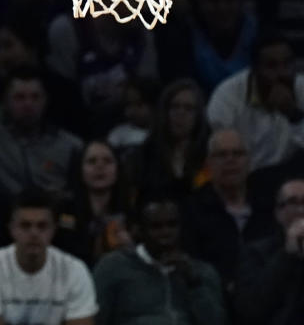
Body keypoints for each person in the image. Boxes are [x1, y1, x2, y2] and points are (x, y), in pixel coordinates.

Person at [93, 196, 228, 325]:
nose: (165, 233)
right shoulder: (114, 267)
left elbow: (216, 322)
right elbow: (95, 320)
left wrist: (193, 283)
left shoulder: (202, 272)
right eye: (156, 227)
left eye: (172, 225)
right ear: (139, 230)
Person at [0, 189, 97, 325]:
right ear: (12, 229)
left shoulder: (74, 271)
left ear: (53, 230)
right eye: (25, 226)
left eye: (42, 226)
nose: (34, 233)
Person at [181, 129, 276, 291]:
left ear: (249, 161)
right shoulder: (190, 209)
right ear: (208, 164)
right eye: (221, 155)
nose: (230, 160)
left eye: (237, 154)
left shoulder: (270, 204)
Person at [0, 68, 83, 199]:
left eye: (35, 97)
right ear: (5, 102)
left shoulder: (70, 146)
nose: (28, 104)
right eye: (20, 97)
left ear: (45, 101)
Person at [207, 31, 304, 171]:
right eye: (272, 66)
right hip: (244, 177)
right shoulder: (226, 98)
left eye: (287, 63)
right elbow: (225, 156)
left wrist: (294, 115)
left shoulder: (301, 87)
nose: (282, 72)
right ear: (254, 68)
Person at [232, 178, 304, 325]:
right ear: (278, 212)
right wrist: (287, 255)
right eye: (293, 202)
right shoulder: (256, 253)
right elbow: (250, 308)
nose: (301, 210)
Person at [55, 140, 133, 267]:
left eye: (107, 161)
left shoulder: (130, 209)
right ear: (80, 169)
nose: (100, 166)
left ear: (118, 168)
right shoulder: (66, 212)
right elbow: (66, 247)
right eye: (92, 161)